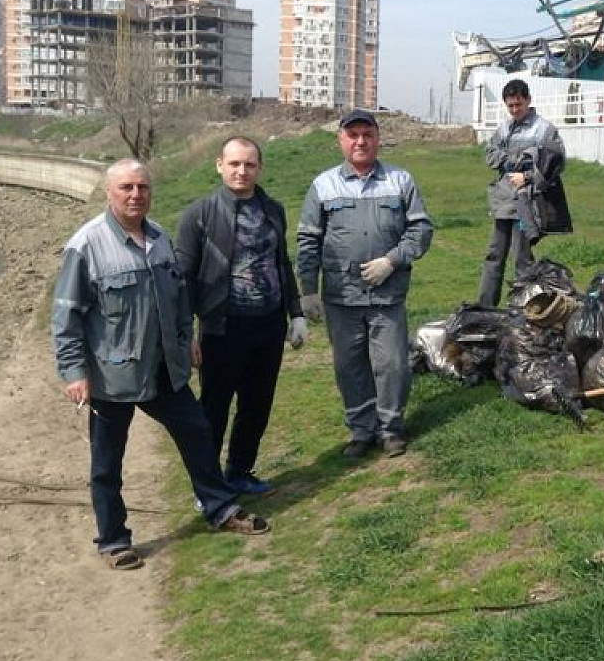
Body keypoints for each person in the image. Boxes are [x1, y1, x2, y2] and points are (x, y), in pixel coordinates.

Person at [52, 158, 270, 572]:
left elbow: (178, 300)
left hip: (163, 368)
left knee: (198, 434)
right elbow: (66, 316)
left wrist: (186, 343)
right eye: (127, 188)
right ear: (109, 193)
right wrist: (74, 371)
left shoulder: (159, 238)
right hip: (111, 375)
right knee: (106, 462)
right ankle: (114, 540)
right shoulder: (87, 245)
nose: (136, 196)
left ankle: (220, 508)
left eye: (143, 188)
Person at [175, 136, 308, 495]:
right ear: (219, 165)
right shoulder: (198, 215)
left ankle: (240, 471)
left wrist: (296, 313)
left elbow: (282, 263)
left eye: (249, 164)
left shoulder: (273, 210)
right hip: (222, 329)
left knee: (257, 406)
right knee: (213, 410)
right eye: (234, 164)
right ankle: (209, 486)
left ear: (259, 168)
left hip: (268, 326)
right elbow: (183, 279)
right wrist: (185, 335)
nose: (241, 171)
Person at [297, 110, 434, 459]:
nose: (360, 141)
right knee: (349, 366)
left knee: (392, 365)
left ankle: (390, 429)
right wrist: (308, 290)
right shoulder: (323, 185)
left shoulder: (400, 180)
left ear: (377, 138)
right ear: (341, 140)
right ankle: (360, 430)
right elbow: (308, 238)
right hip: (341, 296)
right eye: (353, 135)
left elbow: (420, 229)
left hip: (387, 295)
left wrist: (392, 260)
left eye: (367, 134)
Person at [478, 78, 572, 307]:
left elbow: (556, 164)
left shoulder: (543, 129)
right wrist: (518, 161)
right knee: (494, 256)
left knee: (522, 258)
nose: (514, 110)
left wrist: (527, 176)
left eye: (518, 104)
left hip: (526, 204)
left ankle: (522, 311)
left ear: (528, 100)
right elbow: (490, 154)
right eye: (510, 105)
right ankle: (485, 307)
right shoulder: (503, 128)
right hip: (503, 201)